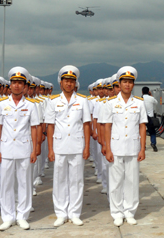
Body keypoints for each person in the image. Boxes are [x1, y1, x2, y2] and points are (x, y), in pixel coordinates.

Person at [100, 66, 147, 227]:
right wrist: (107, 148)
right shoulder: (111, 103)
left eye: (130, 82)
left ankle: (129, 211)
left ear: (133, 85)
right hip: (116, 147)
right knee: (116, 182)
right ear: (119, 84)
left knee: (132, 181)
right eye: (124, 82)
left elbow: (142, 126)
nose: (127, 85)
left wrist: (143, 148)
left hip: (133, 147)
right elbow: (107, 126)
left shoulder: (139, 103)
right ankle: (117, 212)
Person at [0, 67, 39, 231]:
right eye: (14, 82)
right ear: (10, 85)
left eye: (20, 83)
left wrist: (34, 150)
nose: (17, 86)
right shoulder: (1, 104)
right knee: (6, 183)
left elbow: (34, 128)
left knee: (24, 182)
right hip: (6, 148)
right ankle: (7, 216)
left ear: (25, 86)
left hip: (24, 148)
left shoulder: (31, 105)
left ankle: (22, 215)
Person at [45, 66, 91, 227]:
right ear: (61, 83)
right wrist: (50, 149)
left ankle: (75, 213)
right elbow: (50, 126)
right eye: (66, 81)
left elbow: (86, 124)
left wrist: (87, 147)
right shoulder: (53, 101)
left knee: (77, 180)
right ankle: (61, 213)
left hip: (77, 145)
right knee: (59, 180)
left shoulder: (83, 100)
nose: (69, 84)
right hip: (59, 146)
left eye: (72, 81)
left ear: (75, 83)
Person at [142, 87, 159, 152]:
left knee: (142, 132)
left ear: (142, 92)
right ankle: (153, 143)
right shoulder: (151, 98)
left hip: (142, 118)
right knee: (152, 132)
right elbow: (156, 103)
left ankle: (143, 145)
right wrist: (151, 95)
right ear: (148, 91)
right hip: (150, 118)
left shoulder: (140, 99)